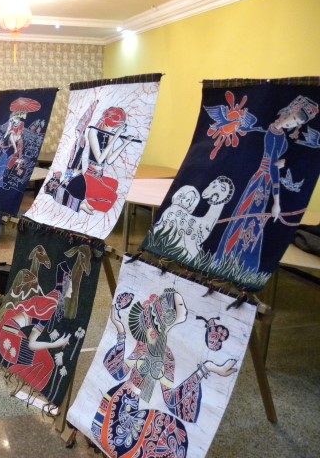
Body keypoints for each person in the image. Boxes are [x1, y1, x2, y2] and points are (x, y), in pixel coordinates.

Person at [92, 288, 237, 457]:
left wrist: (207, 368)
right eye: (181, 304)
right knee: (163, 431)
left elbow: (171, 400)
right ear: (169, 315)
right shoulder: (144, 344)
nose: (185, 308)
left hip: (133, 408)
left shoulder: (167, 357)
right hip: (117, 404)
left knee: (173, 432)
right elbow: (119, 372)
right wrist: (120, 331)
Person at [214, 95, 319, 271]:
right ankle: (230, 260)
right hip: (263, 180)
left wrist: (284, 162)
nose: (291, 124)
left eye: (295, 123)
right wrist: (277, 202)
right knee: (249, 219)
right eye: (293, 118)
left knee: (253, 222)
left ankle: (236, 262)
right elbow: (271, 167)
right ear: (288, 111)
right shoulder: (274, 134)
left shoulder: (279, 134)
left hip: (265, 180)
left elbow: (277, 162)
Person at [0, 262, 73, 392]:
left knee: (45, 360)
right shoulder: (51, 305)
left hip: (10, 333)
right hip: (10, 338)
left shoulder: (51, 302)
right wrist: (55, 344)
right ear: (65, 286)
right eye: (71, 287)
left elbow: (32, 337)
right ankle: (19, 383)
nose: (72, 291)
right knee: (47, 362)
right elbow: (31, 344)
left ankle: (16, 380)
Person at [47, 106, 137, 215]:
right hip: (90, 175)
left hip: (99, 175)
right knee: (112, 197)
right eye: (114, 128)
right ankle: (81, 201)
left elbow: (109, 160)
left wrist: (125, 143)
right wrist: (115, 136)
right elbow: (99, 159)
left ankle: (82, 200)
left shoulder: (109, 134)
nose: (114, 130)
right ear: (107, 122)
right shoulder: (93, 132)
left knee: (115, 184)